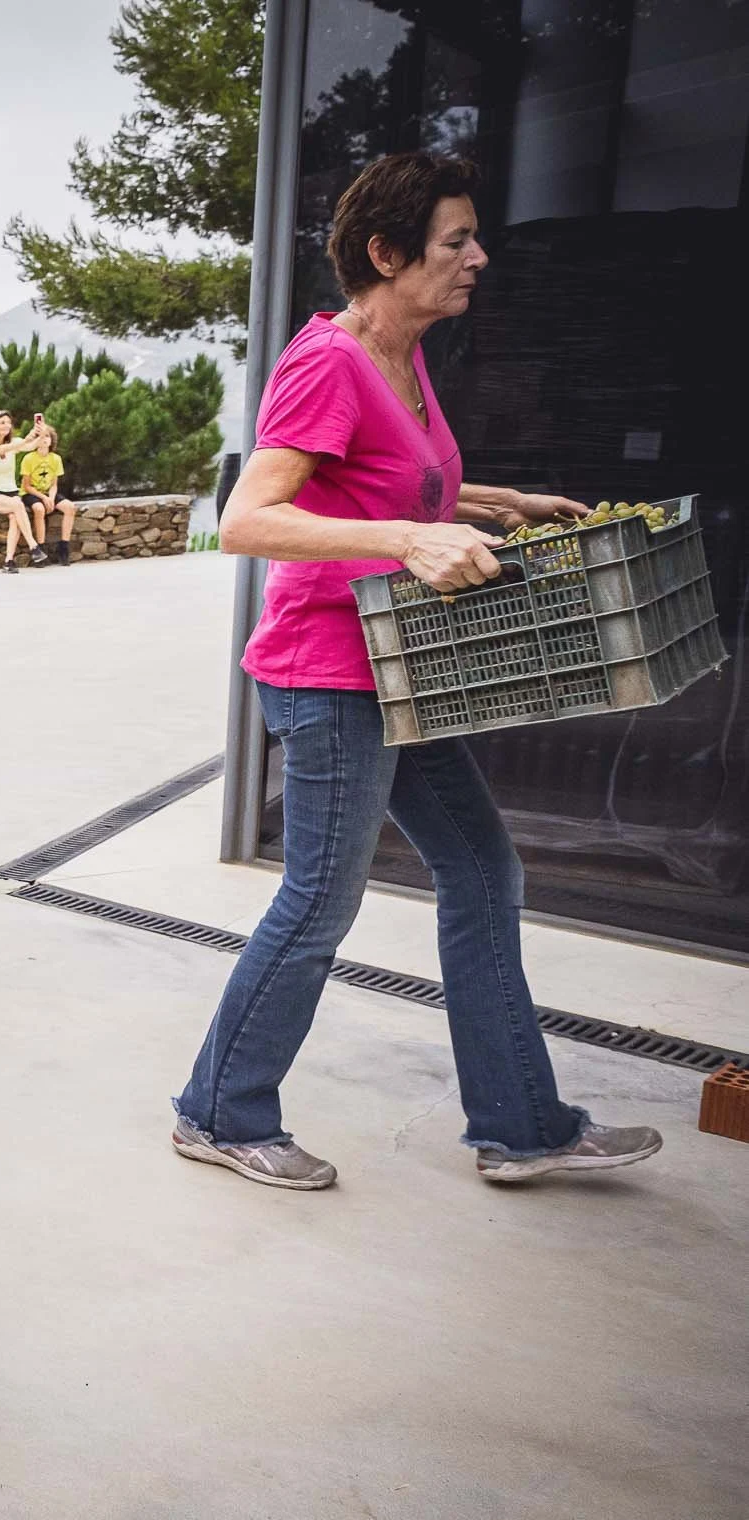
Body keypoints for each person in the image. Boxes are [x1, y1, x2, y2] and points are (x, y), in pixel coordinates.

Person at [178, 151, 662, 1190]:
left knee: (483, 870)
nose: (478, 257)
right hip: (329, 674)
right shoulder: (330, 360)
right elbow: (247, 519)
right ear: (387, 253)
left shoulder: (401, 356)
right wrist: (408, 540)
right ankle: (217, 1110)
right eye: (455, 241)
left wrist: (486, 501)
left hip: (401, 669)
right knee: (317, 901)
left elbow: (382, 480)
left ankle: (522, 1125)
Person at [0, 410, 49, 572]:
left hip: (10, 492)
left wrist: (41, 434)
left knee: (15, 515)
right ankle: (34, 546)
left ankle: (9, 562)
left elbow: (32, 446)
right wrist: (25, 440)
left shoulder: (14, 442)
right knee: (17, 505)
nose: (6, 426)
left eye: (8, 423)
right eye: (2, 423)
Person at [19, 417, 78, 563]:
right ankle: (40, 548)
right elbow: (27, 486)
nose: (44, 439)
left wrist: (51, 497)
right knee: (39, 509)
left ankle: (63, 546)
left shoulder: (56, 459)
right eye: (41, 436)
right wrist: (44, 498)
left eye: (47, 436)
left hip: (48, 492)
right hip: (31, 493)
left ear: (52, 441)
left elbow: (54, 484)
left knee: (70, 507)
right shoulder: (28, 458)